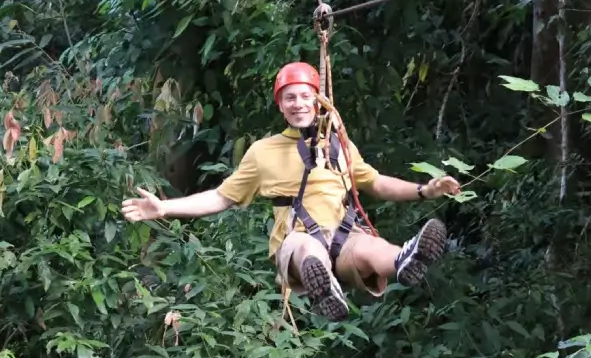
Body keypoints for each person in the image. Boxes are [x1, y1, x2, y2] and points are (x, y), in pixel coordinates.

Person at [121, 61, 460, 321]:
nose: (298, 104)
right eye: (289, 98)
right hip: (296, 241)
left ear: (318, 101)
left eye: (304, 96)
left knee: (371, 246)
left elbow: (375, 183)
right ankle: (323, 286)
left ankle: (403, 260)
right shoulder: (263, 152)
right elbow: (221, 197)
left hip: (344, 237)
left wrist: (424, 191)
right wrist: (165, 208)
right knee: (304, 245)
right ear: (280, 106)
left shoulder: (338, 144)